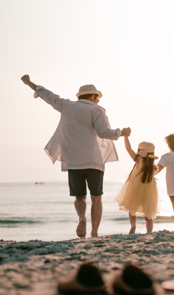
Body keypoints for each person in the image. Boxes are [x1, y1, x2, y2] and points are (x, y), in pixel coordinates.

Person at [21, 75, 130, 238]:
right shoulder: (96, 110)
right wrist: (121, 132)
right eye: (98, 98)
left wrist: (30, 83)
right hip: (93, 160)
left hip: (72, 160)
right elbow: (103, 133)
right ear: (93, 97)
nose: (98, 101)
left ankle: (81, 218)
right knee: (96, 198)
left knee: (80, 196)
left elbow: (48, 96)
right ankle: (94, 232)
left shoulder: (66, 105)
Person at [115, 139, 160, 233]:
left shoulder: (138, 161)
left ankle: (133, 225)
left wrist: (126, 137)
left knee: (132, 208)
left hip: (136, 188)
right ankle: (149, 232)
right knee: (149, 213)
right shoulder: (153, 167)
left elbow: (128, 148)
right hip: (149, 191)